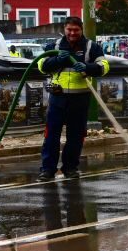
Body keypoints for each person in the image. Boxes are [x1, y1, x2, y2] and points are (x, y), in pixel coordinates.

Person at [37, 16, 111, 179]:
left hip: (80, 99)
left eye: (76, 30)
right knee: (51, 136)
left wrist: (88, 67)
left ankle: (70, 168)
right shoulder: (54, 46)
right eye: (69, 30)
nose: (72, 33)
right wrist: (57, 60)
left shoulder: (92, 47)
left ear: (81, 30)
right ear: (64, 29)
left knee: (76, 136)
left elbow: (104, 67)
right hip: (58, 98)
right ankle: (48, 169)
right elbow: (41, 66)